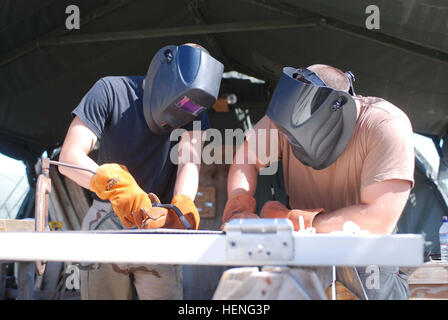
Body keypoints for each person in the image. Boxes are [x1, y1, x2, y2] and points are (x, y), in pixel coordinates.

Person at [222, 64, 414, 299]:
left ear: (335, 109)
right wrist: (239, 205)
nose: (291, 143)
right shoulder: (288, 118)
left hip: (367, 259)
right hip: (303, 250)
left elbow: (378, 219)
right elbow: (246, 159)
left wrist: (298, 222)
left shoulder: (384, 125)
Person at [58, 43, 223, 300]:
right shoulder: (110, 91)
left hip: (160, 222)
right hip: (108, 216)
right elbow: (69, 156)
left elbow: (189, 162)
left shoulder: (194, 108)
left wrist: (183, 206)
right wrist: (117, 186)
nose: (182, 117)